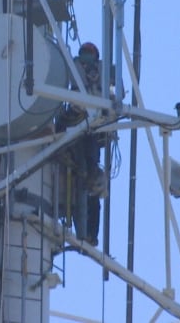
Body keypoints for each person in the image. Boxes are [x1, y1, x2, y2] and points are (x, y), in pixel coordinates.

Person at [61, 42, 107, 245]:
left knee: (89, 184)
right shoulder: (76, 69)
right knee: (80, 178)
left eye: (89, 53)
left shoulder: (101, 73)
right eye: (83, 53)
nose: (85, 56)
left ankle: (89, 234)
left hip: (90, 133)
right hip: (79, 130)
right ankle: (83, 232)